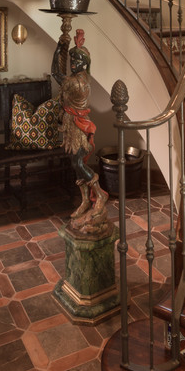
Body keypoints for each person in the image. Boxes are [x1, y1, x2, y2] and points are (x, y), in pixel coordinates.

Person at [51, 28, 109, 233]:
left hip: (78, 128)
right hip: (72, 127)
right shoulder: (83, 76)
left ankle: (99, 194)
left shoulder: (76, 82)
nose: (73, 64)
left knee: (78, 163)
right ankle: (85, 201)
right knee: (76, 164)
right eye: (72, 61)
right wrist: (66, 47)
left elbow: (56, 73)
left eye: (77, 62)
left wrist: (59, 48)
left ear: (85, 64)